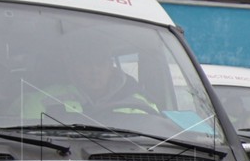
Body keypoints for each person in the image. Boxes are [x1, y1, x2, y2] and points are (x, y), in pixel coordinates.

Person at [24, 37, 159, 119]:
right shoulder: (42, 100)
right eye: (87, 63)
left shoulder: (140, 105)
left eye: (100, 63)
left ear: (111, 67)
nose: (95, 70)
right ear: (75, 67)